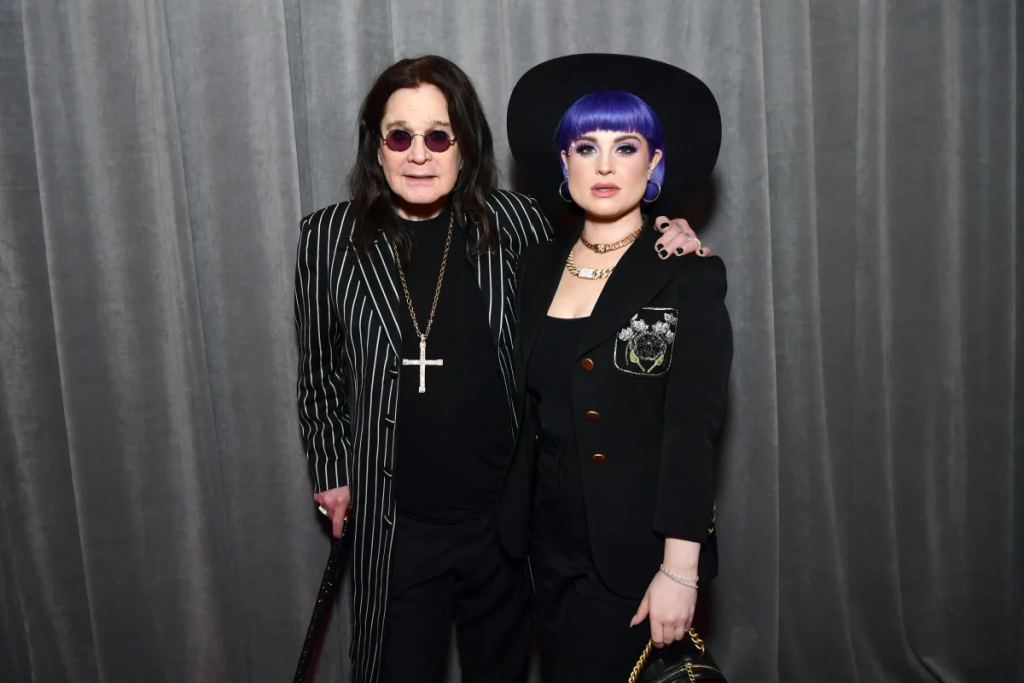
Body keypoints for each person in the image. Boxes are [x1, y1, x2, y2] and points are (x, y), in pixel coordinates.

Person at [294, 55, 704, 683]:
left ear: (465, 146)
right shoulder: (328, 238)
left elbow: (605, 250)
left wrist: (667, 232)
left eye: (439, 137)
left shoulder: (517, 224)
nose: (419, 155)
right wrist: (332, 474)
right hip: (395, 520)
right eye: (400, 137)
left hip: (507, 523)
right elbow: (318, 374)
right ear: (376, 148)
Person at [498, 53, 733, 682]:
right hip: (543, 553)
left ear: (653, 164)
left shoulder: (687, 273)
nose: (604, 165)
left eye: (626, 147)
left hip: (636, 555)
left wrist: (680, 570)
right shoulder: (533, 268)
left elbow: (692, 432)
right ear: (564, 162)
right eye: (586, 147)